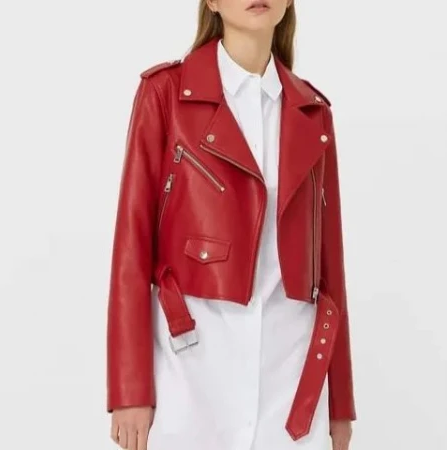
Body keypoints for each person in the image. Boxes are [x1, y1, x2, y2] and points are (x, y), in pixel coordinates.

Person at [106, 1, 357, 449]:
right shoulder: (165, 93)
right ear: (212, 2)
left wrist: (340, 404)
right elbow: (132, 246)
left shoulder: (313, 111)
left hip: (292, 374)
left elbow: (330, 267)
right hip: (190, 366)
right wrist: (130, 390)